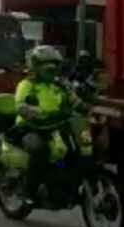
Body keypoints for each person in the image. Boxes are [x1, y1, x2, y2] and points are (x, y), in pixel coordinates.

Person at [14, 46, 88, 202]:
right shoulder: (27, 85)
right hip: (30, 127)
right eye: (46, 63)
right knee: (40, 150)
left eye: (54, 63)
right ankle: (30, 191)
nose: (52, 67)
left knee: (78, 150)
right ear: (35, 65)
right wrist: (36, 113)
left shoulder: (60, 85)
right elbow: (21, 105)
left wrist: (89, 109)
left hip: (57, 127)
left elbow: (75, 101)